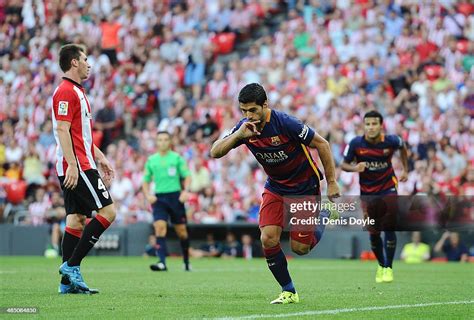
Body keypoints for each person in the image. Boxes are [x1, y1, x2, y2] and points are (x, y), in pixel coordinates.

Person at [210, 83, 340, 304]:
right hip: (276, 187)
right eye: (243, 111)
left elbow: (322, 144)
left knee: (300, 249)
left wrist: (332, 182)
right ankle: (289, 291)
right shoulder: (244, 128)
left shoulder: (285, 123)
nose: (248, 115)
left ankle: (325, 214)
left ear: (265, 105)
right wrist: (238, 135)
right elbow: (215, 151)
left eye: (253, 110)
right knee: (268, 239)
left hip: (304, 188)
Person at [53, 44, 116, 294]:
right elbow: (62, 129)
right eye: (86, 59)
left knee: (77, 220)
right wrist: (72, 165)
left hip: (81, 161)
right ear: (75, 63)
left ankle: (66, 284)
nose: (89, 64)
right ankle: (72, 266)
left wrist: (100, 157)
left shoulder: (77, 91)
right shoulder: (66, 91)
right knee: (108, 212)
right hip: (78, 165)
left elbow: (83, 135)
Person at [342, 110, 408, 283]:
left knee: (389, 226)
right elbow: (343, 165)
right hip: (368, 194)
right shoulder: (356, 143)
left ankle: (389, 268)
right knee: (373, 232)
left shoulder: (391, 141)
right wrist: (355, 168)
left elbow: (403, 148)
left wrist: (406, 170)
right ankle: (381, 264)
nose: (371, 127)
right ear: (364, 126)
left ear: (381, 125)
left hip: (388, 188)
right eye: (368, 124)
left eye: (374, 124)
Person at [142, 131, 192, 271]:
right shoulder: (151, 160)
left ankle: (186, 262)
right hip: (159, 199)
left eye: (165, 139)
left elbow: (187, 176)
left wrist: (186, 191)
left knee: (182, 231)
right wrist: (148, 195)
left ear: (170, 142)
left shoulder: (177, 158)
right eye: (160, 139)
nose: (162, 142)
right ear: (156, 142)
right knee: (159, 227)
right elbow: (145, 181)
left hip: (175, 197)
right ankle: (162, 262)